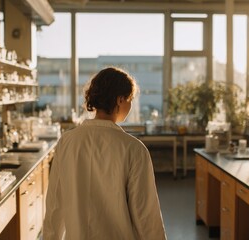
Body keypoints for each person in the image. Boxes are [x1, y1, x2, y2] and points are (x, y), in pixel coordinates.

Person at [43, 67, 166, 240]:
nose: (130, 105)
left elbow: (56, 203)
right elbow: (146, 215)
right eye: (130, 99)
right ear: (120, 99)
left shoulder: (67, 142)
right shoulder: (134, 149)